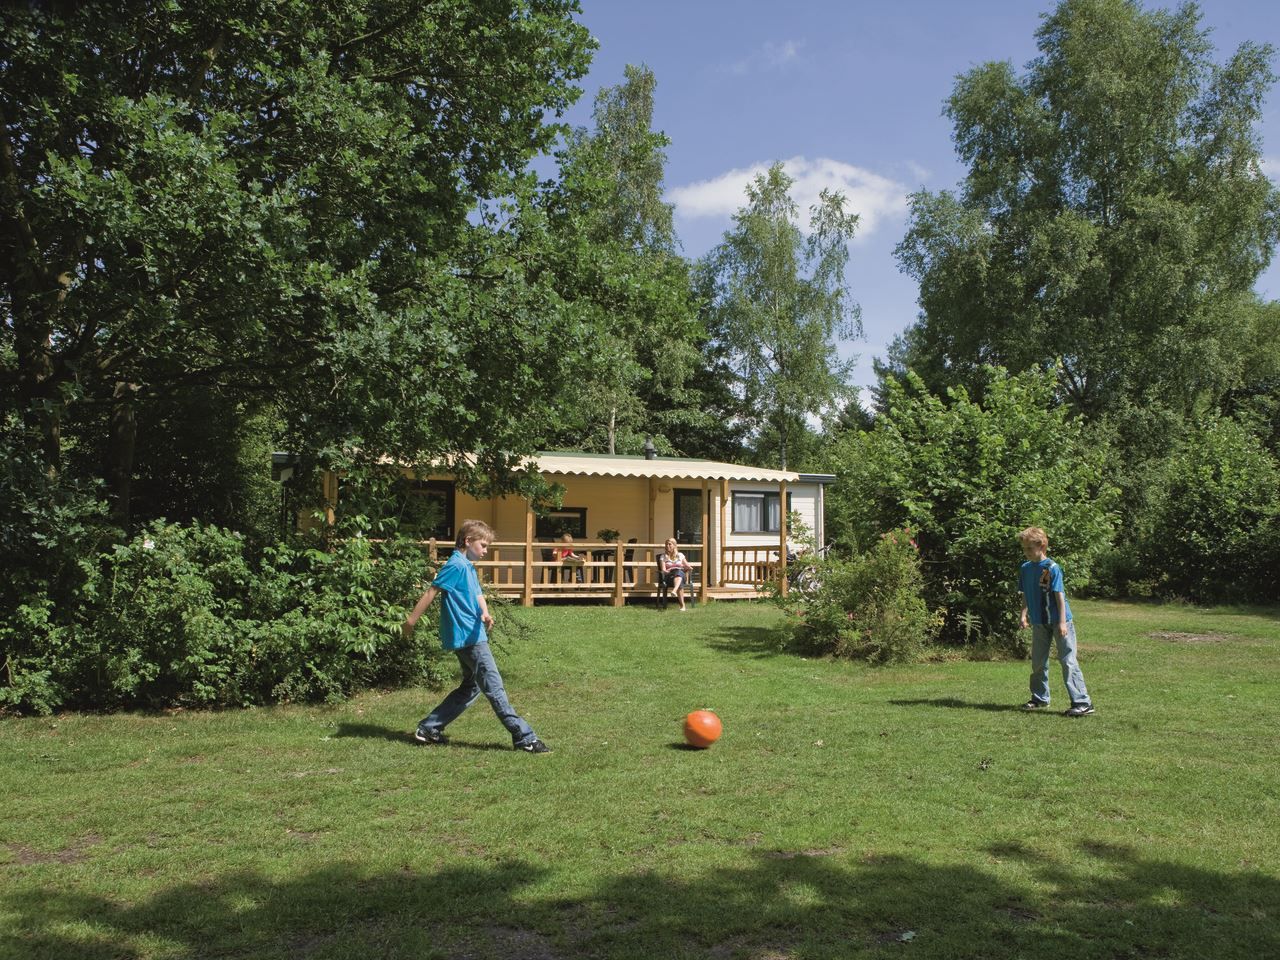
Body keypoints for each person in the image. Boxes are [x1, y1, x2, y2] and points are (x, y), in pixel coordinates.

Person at [402, 519, 551, 752]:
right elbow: (432, 590)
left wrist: (485, 612)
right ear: (468, 541)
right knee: (494, 686)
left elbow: (477, 593)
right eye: (483, 545)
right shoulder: (457, 565)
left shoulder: (467, 566)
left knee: (472, 687)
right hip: (469, 638)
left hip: (471, 633)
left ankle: (429, 728)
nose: (485, 550)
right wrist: (411, 621)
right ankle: (525, 737)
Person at [1017, 526, 1095, 717]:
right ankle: (1040, 697)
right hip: (1039, 622)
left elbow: (1059, 595)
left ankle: (1082, 702)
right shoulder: (1026, 569)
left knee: (1068, 661)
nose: (1026, 552)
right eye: (1024, 548)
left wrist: (1061, 622)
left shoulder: (1052, 568)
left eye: (1029, 548)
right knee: (1038, 662)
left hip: (1060, 621)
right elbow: (1026, 593)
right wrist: (1023, 614)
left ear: (1041, 546)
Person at [659, 537, 693, 611]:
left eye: (669, 544)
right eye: (666, 544)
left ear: (674, 545)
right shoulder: (663, 557)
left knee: (678, 572)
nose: (667, 546)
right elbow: (663, 570)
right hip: (669, 577)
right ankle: (682, 606)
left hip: (681, 575)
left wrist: (688, 567)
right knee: (678, 578)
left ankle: (674, 590)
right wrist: (669, 570)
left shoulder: (680, 555)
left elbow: (687, 565)